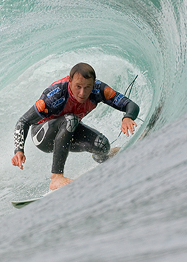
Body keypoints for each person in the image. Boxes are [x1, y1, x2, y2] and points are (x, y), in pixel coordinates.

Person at [11, 62, 140, 190]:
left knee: (102, 145)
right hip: (43, 135)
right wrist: (19, 150)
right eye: (78, 86)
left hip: (68, 130)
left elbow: (131, 105)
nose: (82, 93)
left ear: (93, 83)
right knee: (71, 119)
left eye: (87, 87)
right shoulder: (54, 96)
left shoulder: (99, 90)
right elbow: (23, 121)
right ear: (70, 81)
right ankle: (56, 177)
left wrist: (127, 117)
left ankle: (105, 157)